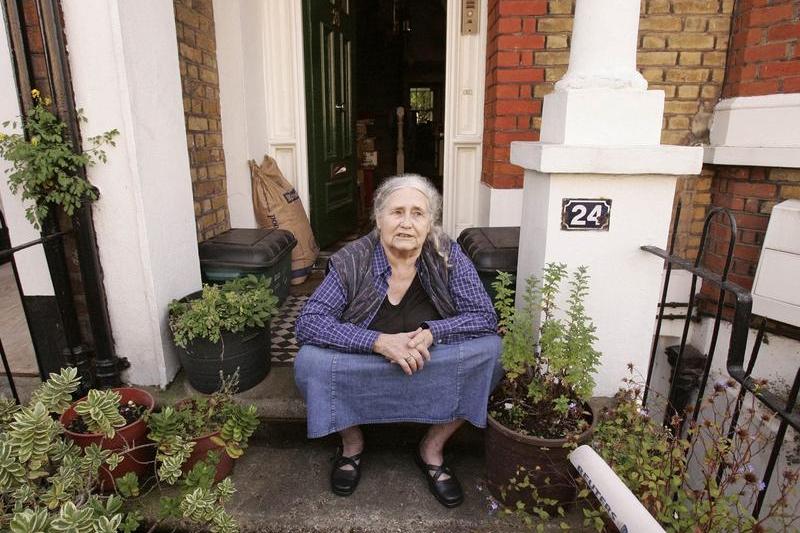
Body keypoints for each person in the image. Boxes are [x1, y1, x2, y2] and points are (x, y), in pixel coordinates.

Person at [294, 174, 502, 508]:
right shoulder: (352, 260)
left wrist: (435, 332)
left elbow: (484, 317)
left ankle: (432, 449)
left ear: (430, 222)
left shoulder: (447, 254)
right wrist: (377, 341)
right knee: (309, 361)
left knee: (492, 352)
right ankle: (352, 444)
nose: (407, 223)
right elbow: (309, 323)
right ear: (378, 218)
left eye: (418, 213)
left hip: (431, 364)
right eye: (397, 212)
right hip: (366, 367)